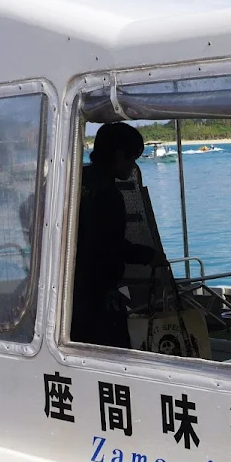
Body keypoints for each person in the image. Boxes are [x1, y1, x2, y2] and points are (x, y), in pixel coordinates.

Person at [71, 123, 155, 348]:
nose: (133, 165)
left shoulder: (78, 180)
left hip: (70, 295)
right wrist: (149, 256)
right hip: (97, 298)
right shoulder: (107, 194)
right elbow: (110, 246)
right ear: (119, 155)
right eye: (132, 157)